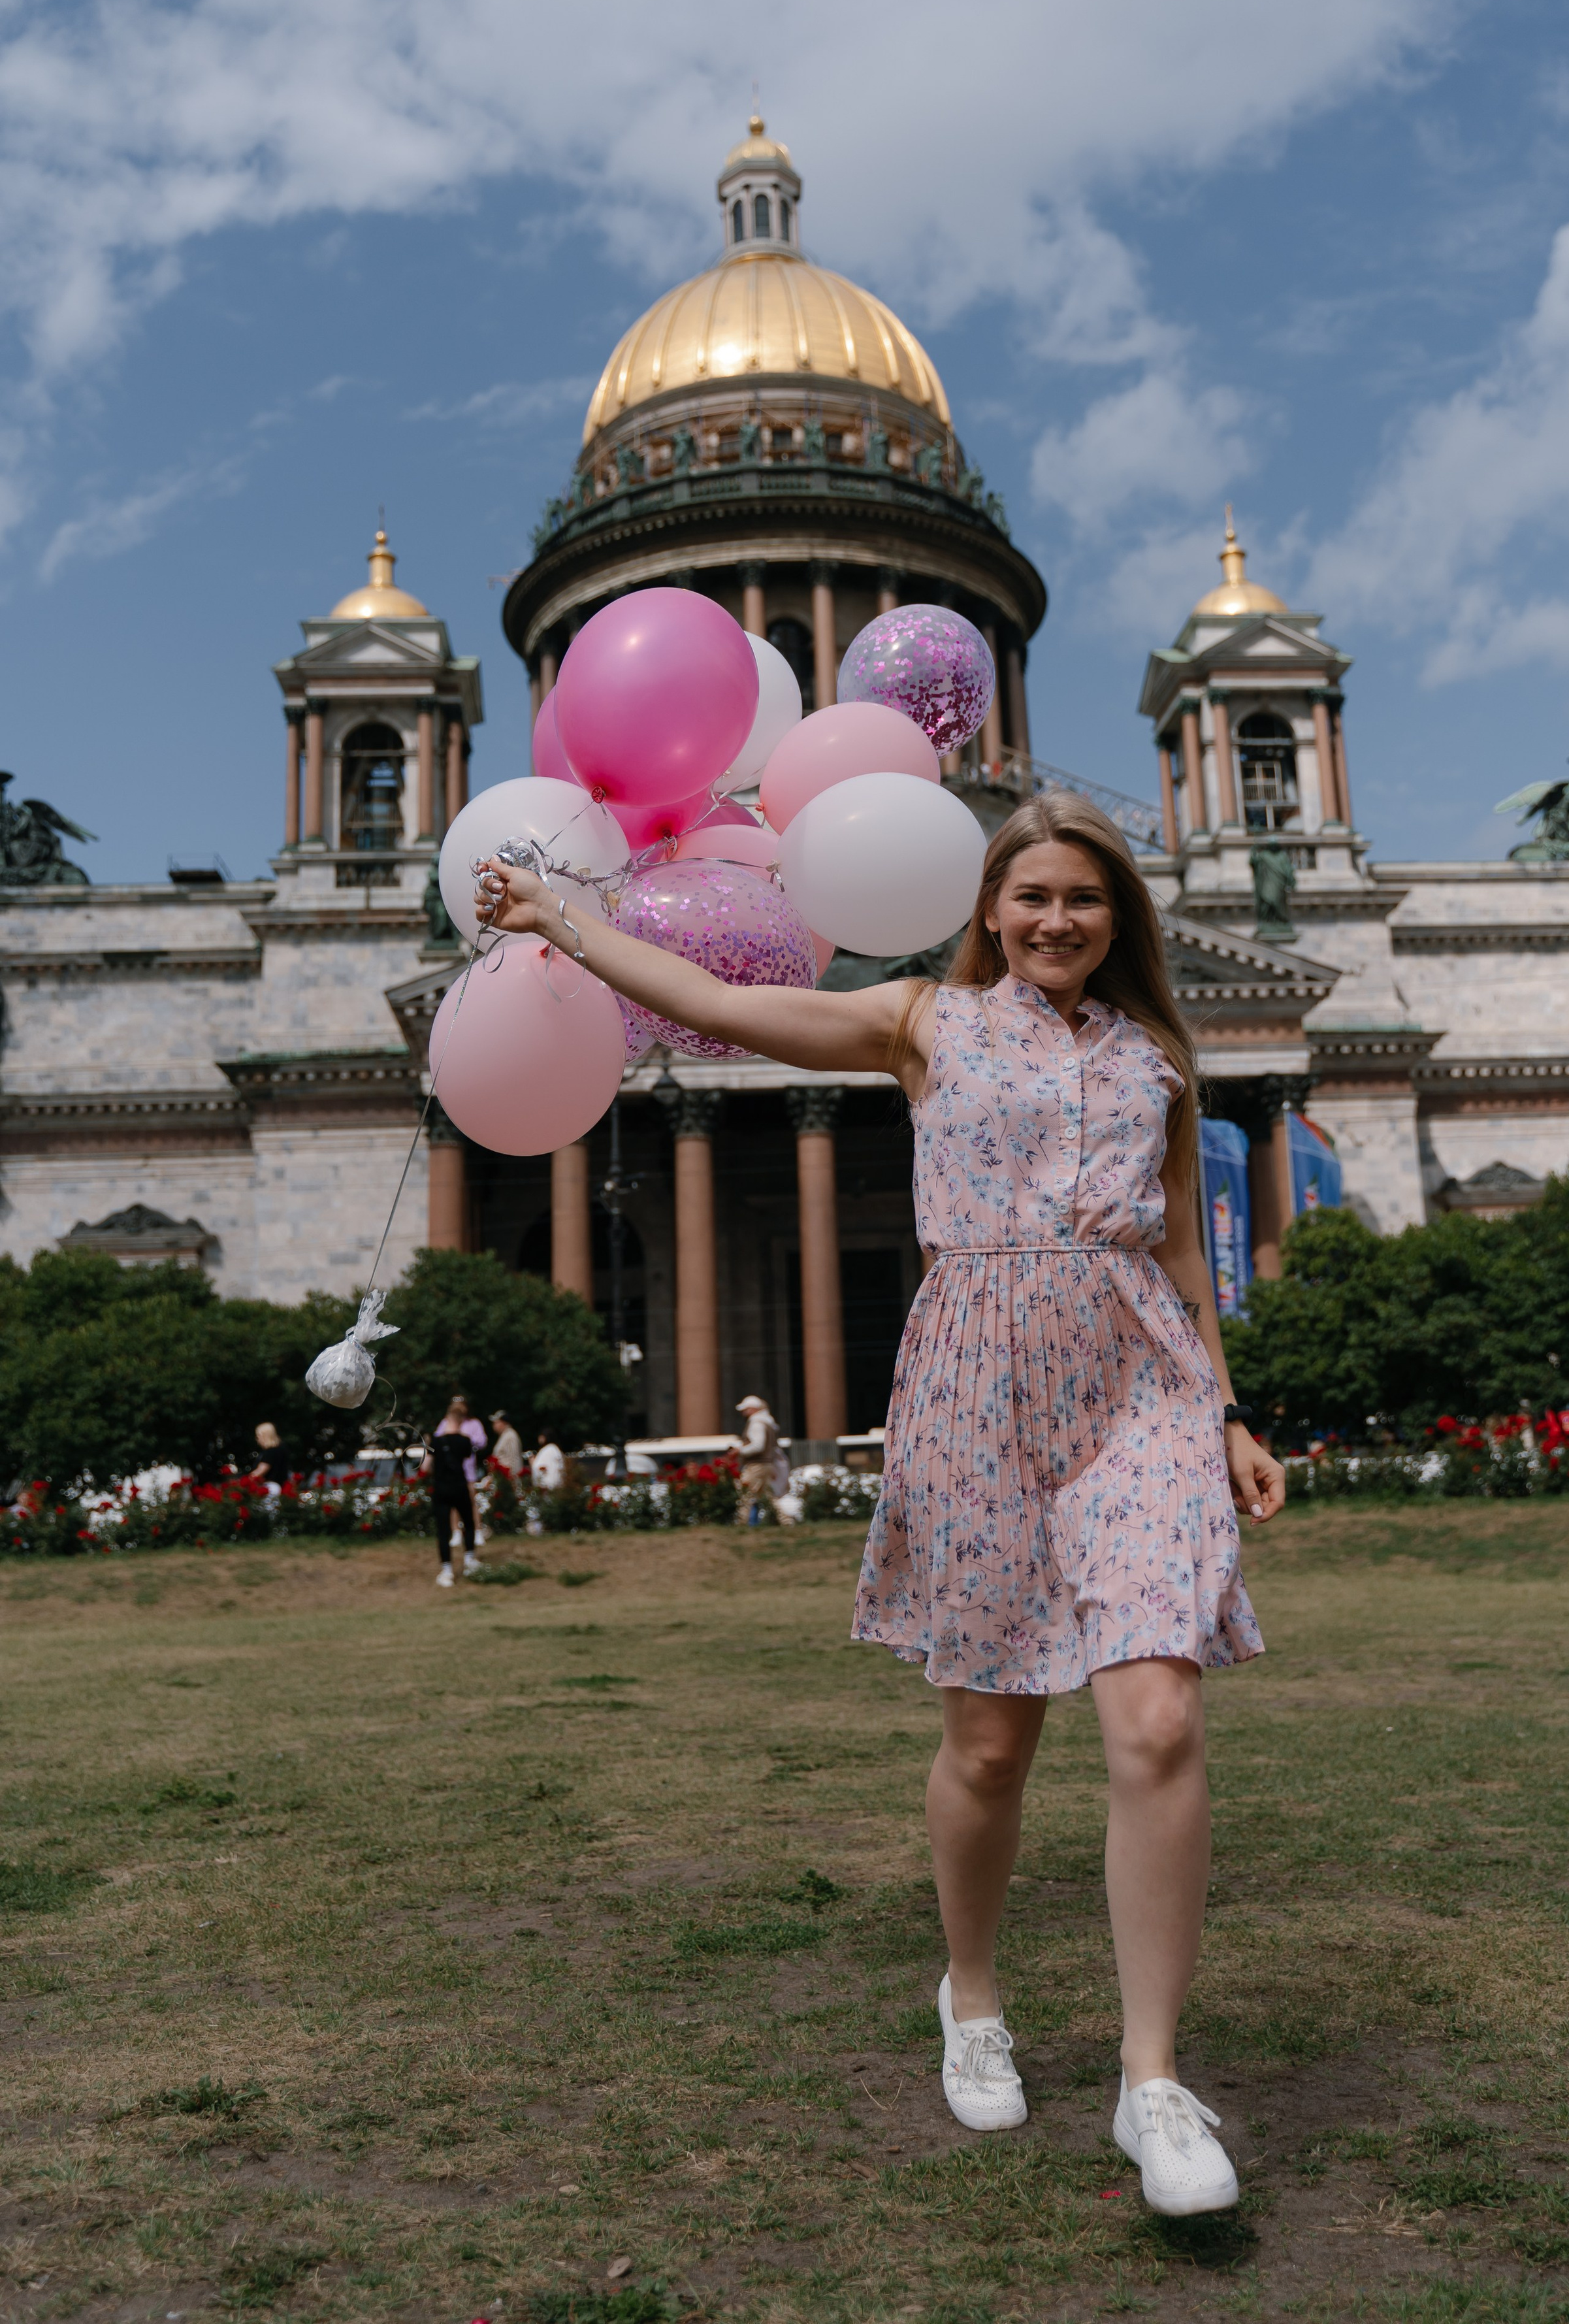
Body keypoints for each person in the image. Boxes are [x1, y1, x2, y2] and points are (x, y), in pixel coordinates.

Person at [477, 790, 1286, 2216]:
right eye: (1029, 897)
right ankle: (968, 1992)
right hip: (975, 1386)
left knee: (1156, 1717)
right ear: (988, 909)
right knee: (987, 1747)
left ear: (1118, 921)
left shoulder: (1156, 1053)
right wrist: (562, 918)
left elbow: (1179, 1257)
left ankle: (1150, 2081)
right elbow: (715, 999)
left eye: (1083, 901)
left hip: (1138, 1391)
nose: (1054, 921)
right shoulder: (918, 1022)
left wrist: (1220, 1409)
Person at [423, 1396, 485, 1587]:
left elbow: (425, 1468)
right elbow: (468, 1454)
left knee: (443, 1531)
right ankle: (469, 1560)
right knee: (468, 1521)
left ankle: (447, 1570)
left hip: (442, 1488)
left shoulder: (435, 1441)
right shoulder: (465, 1441)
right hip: (460, 1485)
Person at [735, 1394, 783, 1525]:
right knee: (769, 1496)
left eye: (746, 1409)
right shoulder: (768, 1422)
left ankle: (741, 1523)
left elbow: (758, 1446)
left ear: (753, 1409)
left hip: (756, 1464)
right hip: (767, 1464)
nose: (743, 1412)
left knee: (745, 1494)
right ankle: (786, 1520)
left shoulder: (757, 1423)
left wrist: (741, 1450)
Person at [250, 1420, 289, 1491]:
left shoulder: (270, 1452)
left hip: (269, 1487)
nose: (257, 1440)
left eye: (258, 1436)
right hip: (279, 1487)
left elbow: (261, 1470)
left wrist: (246, 1480)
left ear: (264, 1436)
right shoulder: (281, 1449)